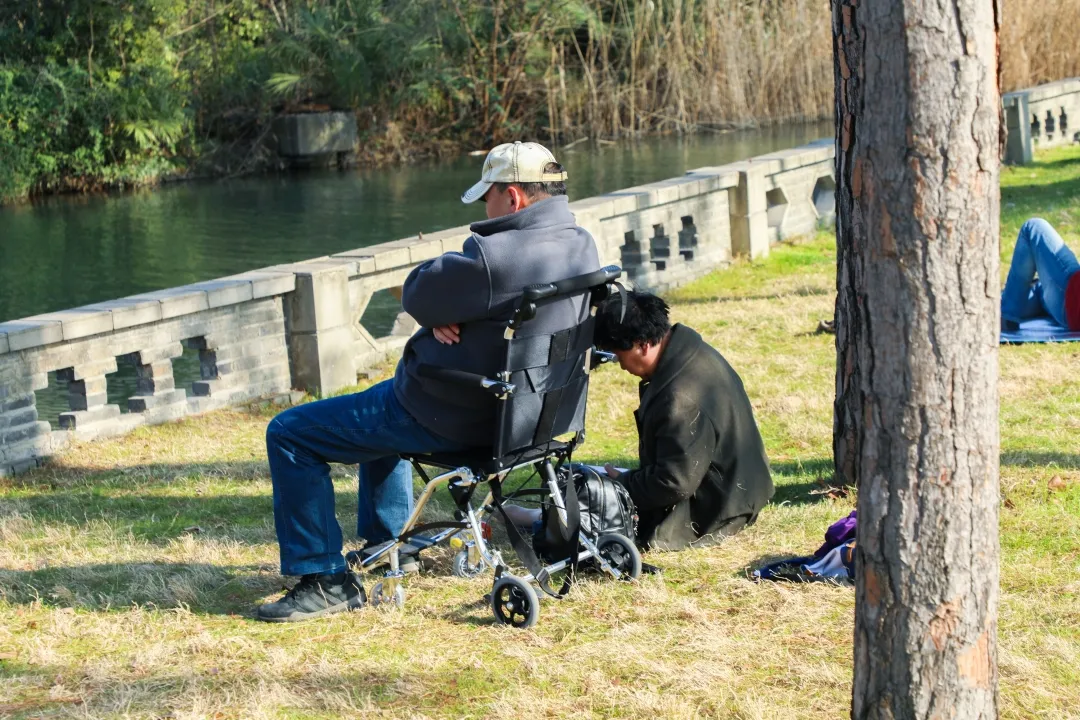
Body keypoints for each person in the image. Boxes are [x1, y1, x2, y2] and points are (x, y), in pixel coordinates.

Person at [257, 141, 601, 622]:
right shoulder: (581, 243)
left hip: (454, 414)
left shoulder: (493, 258)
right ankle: (396, 540)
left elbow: (418, 290)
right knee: (378, 409)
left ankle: (325, 579)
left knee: (290, 433)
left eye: (489, 196)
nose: (486, 206)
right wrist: (450, 315)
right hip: (532, 418)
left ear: (514, 197)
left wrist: (439, 313)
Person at [594, 291, 774, 551]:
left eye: (619, 356)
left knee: (591, 501)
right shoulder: (690, 350)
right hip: (742, 490)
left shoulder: (679, 398)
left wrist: (619, 486)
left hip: (720, 509)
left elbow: (673, 483)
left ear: (642, 344)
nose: (621, 366)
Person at [1001, 218, 1080, 332]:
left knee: (1033, 227)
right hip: (1069, 309)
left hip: (1071, 301)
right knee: (1039, 290)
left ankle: (1006, 316)